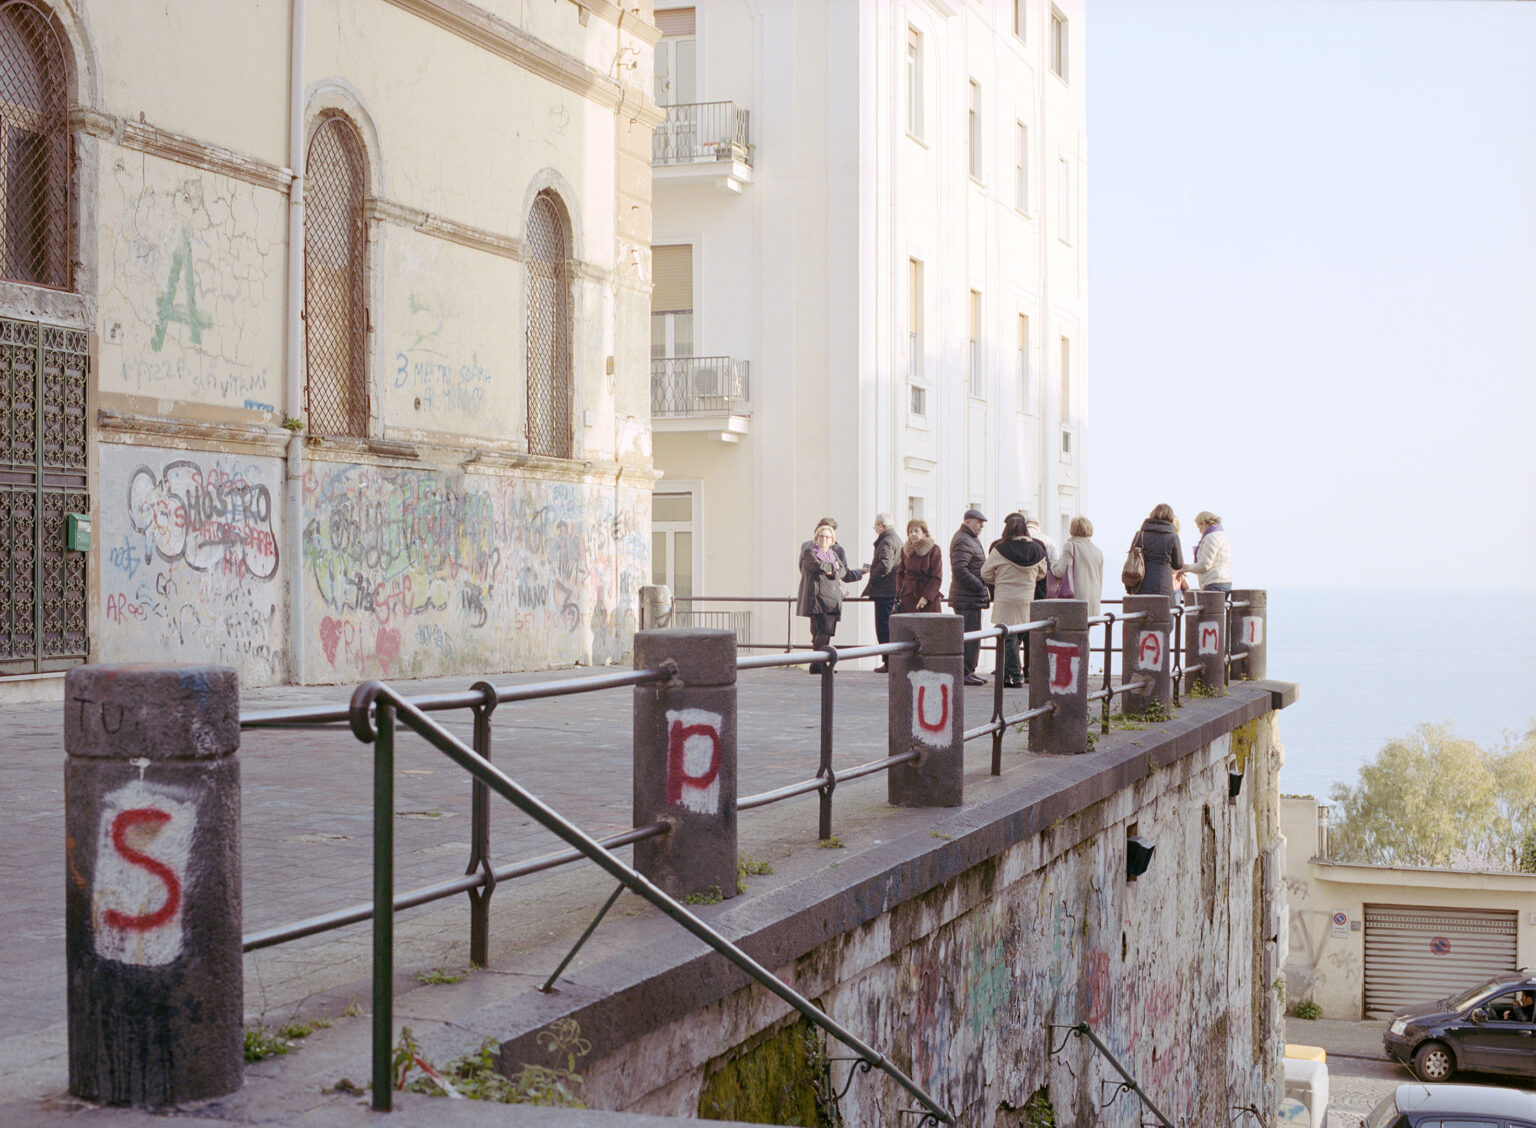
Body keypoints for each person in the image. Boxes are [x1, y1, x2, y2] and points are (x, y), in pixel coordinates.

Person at [981, 514, 1048, 688]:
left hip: (1005, 597)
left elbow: (985, 573)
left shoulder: (1000, 549)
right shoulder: (1037, 549)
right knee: (1020, 633)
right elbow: (1043, 572)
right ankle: (1016, 672)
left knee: (1007, 634)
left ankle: (1013, 674)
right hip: (1027, 596)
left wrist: (1000, 580)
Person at [797, 522, 862, 674]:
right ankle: (817, 664)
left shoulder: (834, 554)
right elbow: (815, 566)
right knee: (822, 632)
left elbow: (843, 572)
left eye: (828, 537)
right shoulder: (809, 551)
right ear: (816, 537)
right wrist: (833, 568)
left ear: (832, 539)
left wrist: (859, 572)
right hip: (818, 599)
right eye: (821, 536)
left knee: (826, 633)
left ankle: (818, 664)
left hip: (832, 599)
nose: (824, 539)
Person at [948, 508, 990, 686]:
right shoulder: (963, 540)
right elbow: (960, 569)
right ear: (968, 521)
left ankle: (969, 670)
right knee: (968, 636)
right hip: (967, 597)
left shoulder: (969, 538)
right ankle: (964, 671)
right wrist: (980, 586)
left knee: (973, 636)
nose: (981, 526)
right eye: (978, 522)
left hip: (971, 597)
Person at [863, 512, 903, 672]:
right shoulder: (896, 539)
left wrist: (873, 574)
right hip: (892, 590)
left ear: (881, 526)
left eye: (875, 527)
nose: (875, 530)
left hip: (884, 592)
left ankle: (888, 660)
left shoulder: (886, 541)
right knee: (889, 626)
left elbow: (885, 565)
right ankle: (890, 660)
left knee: (883, 626)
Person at [1050, 515, 1105, 618]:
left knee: (1070, 633)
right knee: (1085, 633)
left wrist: (1053, 564)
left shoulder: (1071, 546)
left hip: (1076, 602)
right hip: (1093, 604)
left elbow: (1061, 571)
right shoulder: (1098, 552)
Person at [1130, 503, 1184, 600]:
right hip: (1163, 587)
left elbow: (1132, 557)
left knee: (1141, 613)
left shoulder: (1140, 534)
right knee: (1164, 613)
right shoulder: (1173, 537)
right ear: (1170, 517)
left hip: (1141, 586)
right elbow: (1178, 564)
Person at [895, 518, 943, 618]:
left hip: (928, 599)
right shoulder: (905, 551)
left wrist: (926, 597)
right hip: (908, 597)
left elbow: (936, 577)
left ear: (924, 533)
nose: (913, 534)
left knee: (928, 630)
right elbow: (900, 573)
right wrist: (900, 590)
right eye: (910, 531)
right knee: (910, 631)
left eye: (916, 531)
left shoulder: (934, 550)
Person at [1179, 510, 1232, 593]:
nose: (1199, 530)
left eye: (1198, 526)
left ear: (1204, 523)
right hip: (1224, 581)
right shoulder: (1222, 535)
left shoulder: (1211, 538)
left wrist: (1187, 568)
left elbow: (1204, 565)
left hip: (1213, 583)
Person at [1024, 516, 1058, 601]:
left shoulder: (1018, 540)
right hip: (1042, 586)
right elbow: (1054, 563)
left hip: (1023, 585)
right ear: (1038, 526)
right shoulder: (1049, 541)